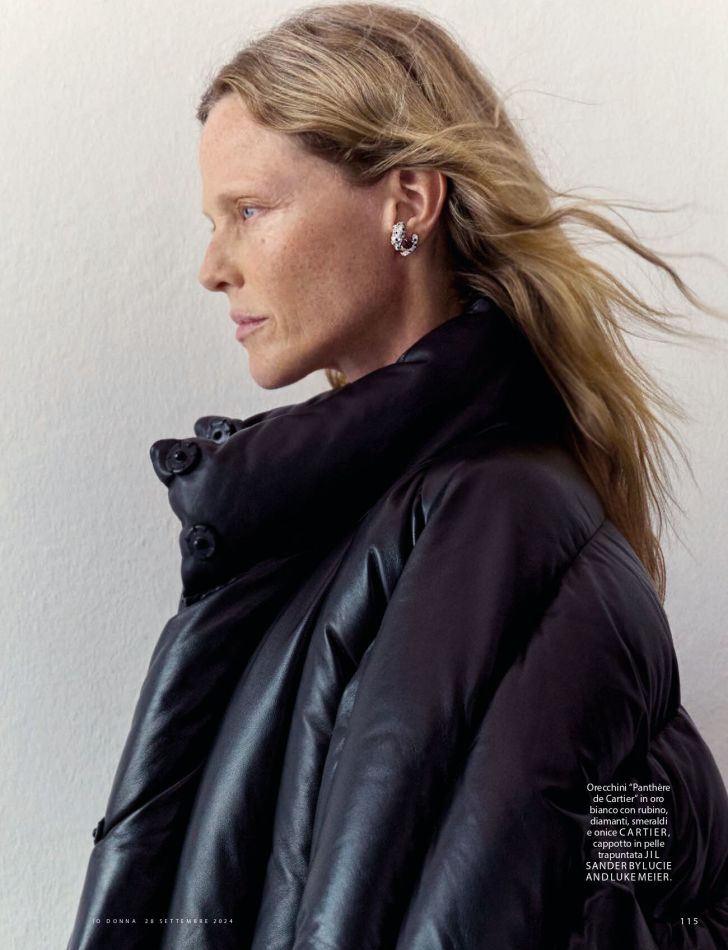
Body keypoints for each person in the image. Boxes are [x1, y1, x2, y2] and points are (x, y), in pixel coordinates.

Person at [67, 3, 728, 948]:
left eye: (249, 211)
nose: (213, 267)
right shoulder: (333, 520)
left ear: (408, 204)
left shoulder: (499, 525)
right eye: (214, 222)